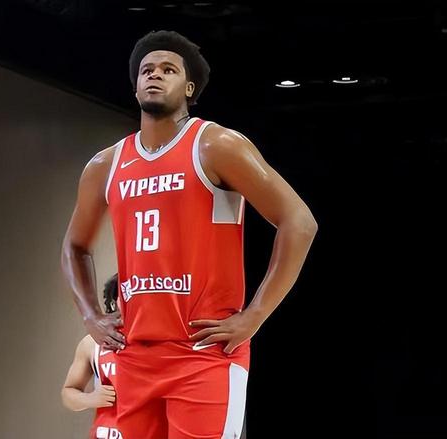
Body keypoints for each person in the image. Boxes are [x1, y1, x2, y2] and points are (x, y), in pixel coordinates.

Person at [61, 30, 317, 438]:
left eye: (169, 69)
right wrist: (91, 315)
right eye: (147, 70)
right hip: (135, 355)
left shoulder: (216, 145)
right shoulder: (105, 165)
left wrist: (254, 315)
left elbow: (299, 222)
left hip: (203, 353)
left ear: (189, 88)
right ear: (135, 86)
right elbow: (75, 246)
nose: (155, 75)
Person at [61, 274, 120, 439]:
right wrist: (91, 398)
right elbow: (68, 392)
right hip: (107, 432)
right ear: (114, 301)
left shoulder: (165, 343)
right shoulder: (92, 343)